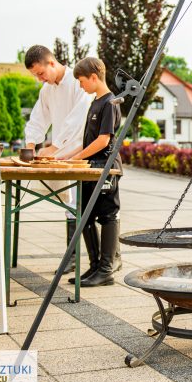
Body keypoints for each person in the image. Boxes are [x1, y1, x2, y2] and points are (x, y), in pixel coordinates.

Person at [23, 45, 99, 274]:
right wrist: (30, 146)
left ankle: (90, 261)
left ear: (52, 63)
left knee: (83, 207)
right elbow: (38, 118)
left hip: (81, 151)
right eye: (35, 75)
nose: (39, 79)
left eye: (40, 73)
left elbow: (78, 119)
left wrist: (55, 146)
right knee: (69, 205)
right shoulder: (46, 90)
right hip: (60, 153)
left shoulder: (78, 81)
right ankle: (72, 257)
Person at [60, 57, 122, 287]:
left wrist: (77, 157)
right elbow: (89, 140)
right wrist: (68, 155)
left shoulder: (111, 103)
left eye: (82, 80)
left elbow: (104, 141)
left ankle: (106, 269)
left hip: (105, 169)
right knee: (84, 217)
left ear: (94, 77)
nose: (80, 85)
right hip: (90, 168)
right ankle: (95, 266)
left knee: (107, 216)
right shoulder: (94, 103)